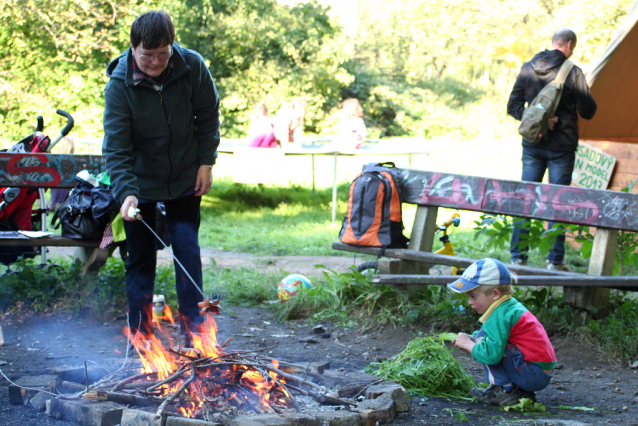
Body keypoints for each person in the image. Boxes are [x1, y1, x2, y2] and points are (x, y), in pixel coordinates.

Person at [102, 10, 220, 343]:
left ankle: (196, 333)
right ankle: (141, 337)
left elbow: (209, 116)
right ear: (132, 47)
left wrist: (205, 162)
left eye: (162, 54)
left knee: (187, 251)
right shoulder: (119, 86)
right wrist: (126, 192)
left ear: (172, 45)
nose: (155, 62)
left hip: (185, 176)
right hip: (140, 182)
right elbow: (116, 147)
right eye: (147, 55)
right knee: (140, 258)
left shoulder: (192, 65)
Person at [507, 27, 596, 271]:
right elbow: (588, 110)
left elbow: (512, 106)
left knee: (526, 199)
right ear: (569, 45)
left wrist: (535, 118)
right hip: (561, 148)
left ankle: (518, 257)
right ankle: (555, 261)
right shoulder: (572, 71)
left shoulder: (528, 67)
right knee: (558, 201)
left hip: (533, 145)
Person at [448, 258, 556, 406]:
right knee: (482, 337)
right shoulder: (507, 306)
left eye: (473, 296)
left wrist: (468, 344)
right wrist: (472, 338)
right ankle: (519, 392)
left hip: (532, 375)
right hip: (537, 371)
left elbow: (491, 356)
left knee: (485, 342)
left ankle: (505, 391)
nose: (469, 302)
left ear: (495, 294)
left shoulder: (498, 315)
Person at [49, 136, 75, 210]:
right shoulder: (75, 161)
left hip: (55, 198)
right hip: (69, 198)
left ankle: (55, 203)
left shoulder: (53, 161)